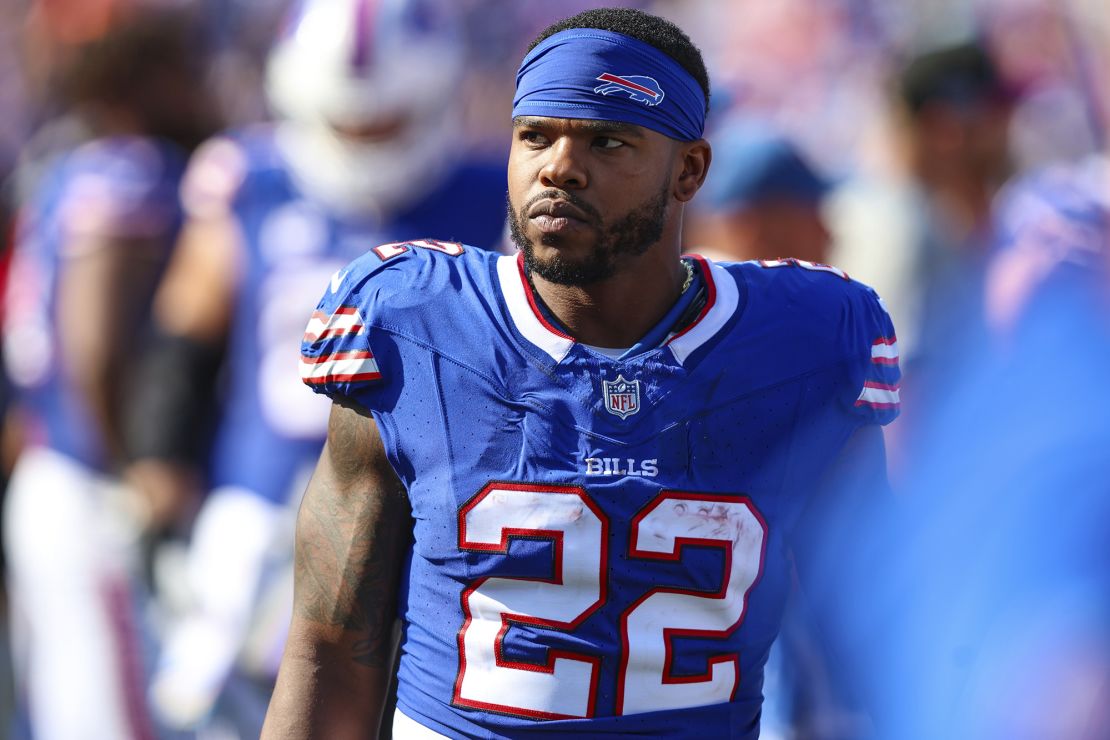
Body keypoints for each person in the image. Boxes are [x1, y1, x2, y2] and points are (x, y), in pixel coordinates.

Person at [263, 7, 900, 739]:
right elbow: (330, 651)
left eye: (607, 140)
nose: (559, 167)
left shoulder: (807, 345)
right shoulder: (414, 325)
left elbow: (867, 648)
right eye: (535, 135)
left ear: (688, 169)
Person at [132, 0, 507, 734]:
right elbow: (181, 345)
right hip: (257, 518)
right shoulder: (249, 182)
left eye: (385, 121)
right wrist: (157, 475)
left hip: (425, 536)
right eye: (348, 121)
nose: (364, 137)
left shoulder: (492, 193)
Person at [1, 6, 217, 739]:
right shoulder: (128, 167)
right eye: (181, 70)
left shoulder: (68, 159)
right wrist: (134, 470)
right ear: (144, 77)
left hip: (54, 468)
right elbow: (93, 343)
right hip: (91, 482)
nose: (201, 87)